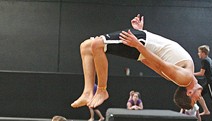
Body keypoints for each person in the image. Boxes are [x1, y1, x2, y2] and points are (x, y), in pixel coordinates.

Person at [71, 14, 202, 111]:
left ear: (189, 93)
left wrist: (138, 45)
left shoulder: (185, 79)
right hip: (143, 45)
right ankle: (88, 92)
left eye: (196, 99)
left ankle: (102, 90)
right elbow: (155, 63)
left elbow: (160, 64)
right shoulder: (183, 76)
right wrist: (140, 32)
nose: (200, 97)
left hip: (143, 44)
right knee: (86, 46)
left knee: (96, 44)